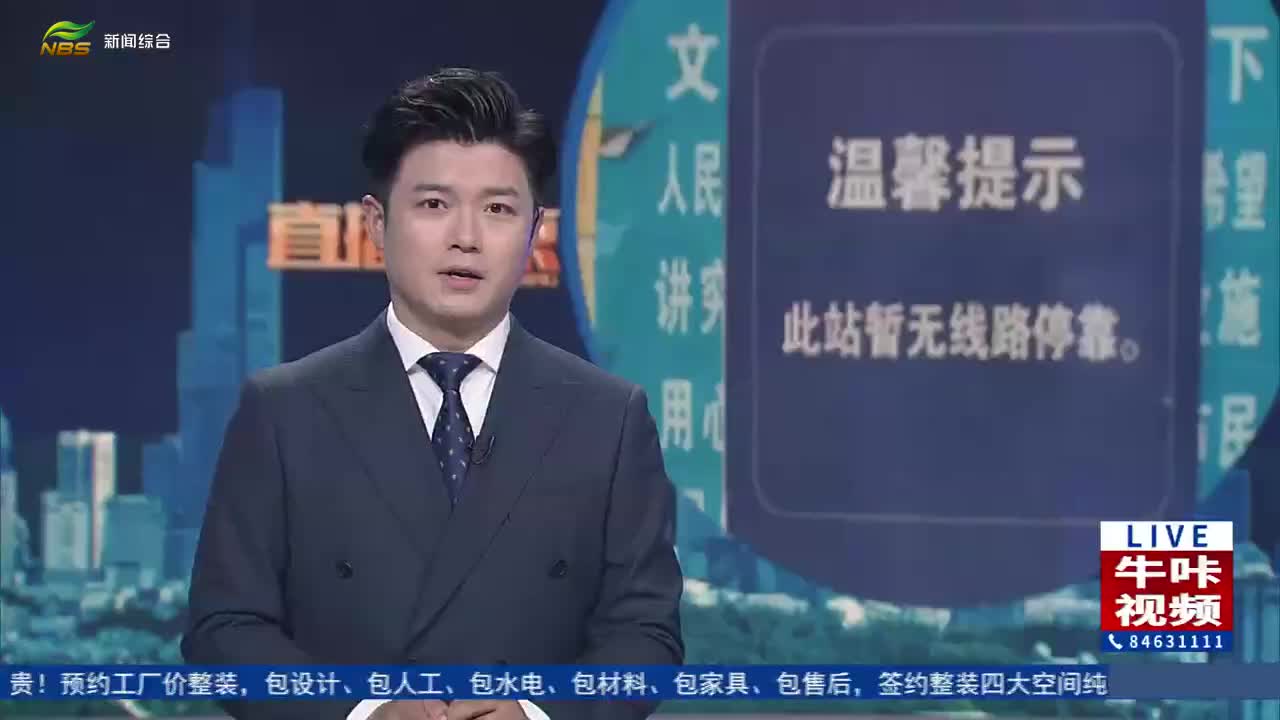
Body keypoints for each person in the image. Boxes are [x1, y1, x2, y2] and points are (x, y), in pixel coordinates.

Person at [182, 67, 684, 720]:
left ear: (535, 231)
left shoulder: (609, 418)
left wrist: (538, 712)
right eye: (434, 205)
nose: (466, 237)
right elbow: (224, 629)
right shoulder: (283, 411)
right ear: (376, 222)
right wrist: (361, 712)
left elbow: (645, 635)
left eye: (498, 209)